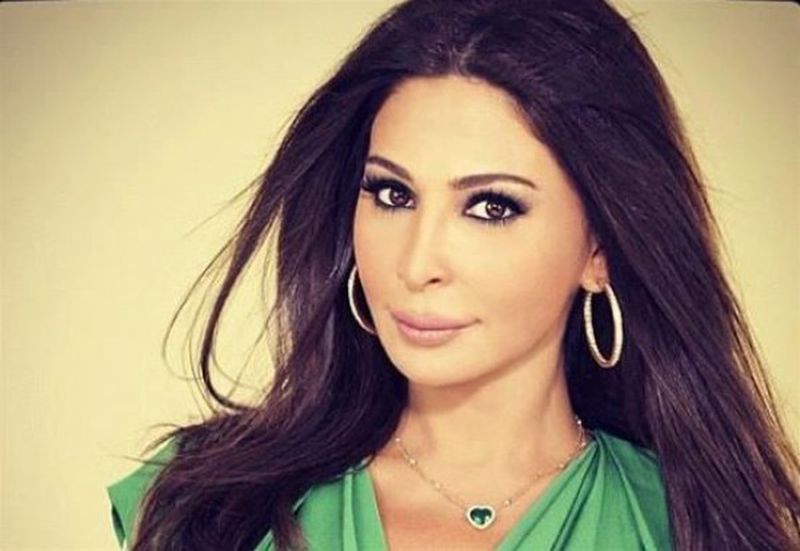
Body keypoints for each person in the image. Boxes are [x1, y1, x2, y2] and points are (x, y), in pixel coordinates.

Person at [105, 0, 800, 549]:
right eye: (392, 194)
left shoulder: (690, 527)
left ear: (600, 249)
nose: (415, 264)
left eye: (491, 206)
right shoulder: (207, 507)